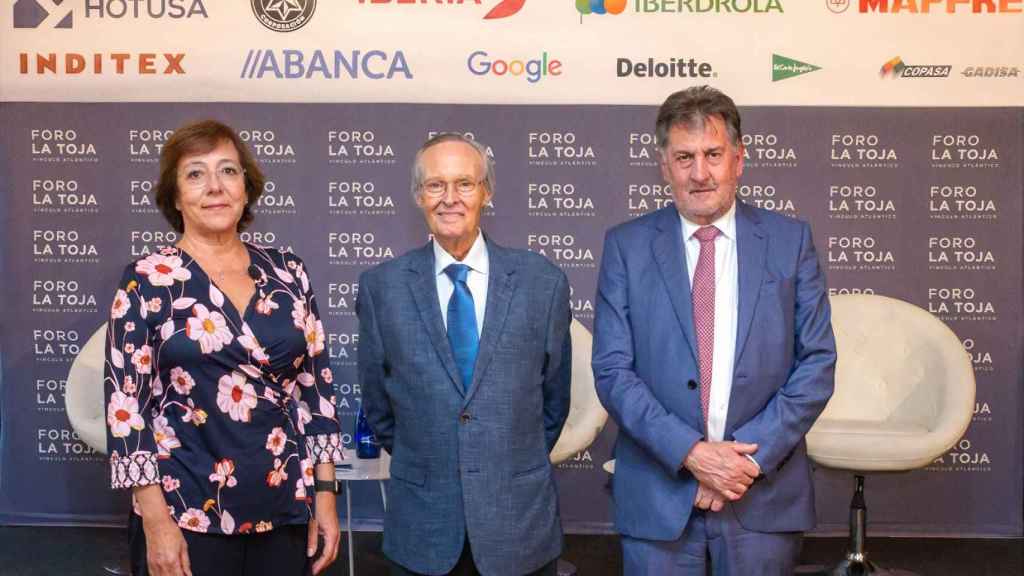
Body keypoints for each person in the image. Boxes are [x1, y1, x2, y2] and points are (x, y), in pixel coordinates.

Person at [592, 86, 836, 575]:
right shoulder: (626, 247)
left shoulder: (790, 242)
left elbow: (816, 363)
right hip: (658, 495)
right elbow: (613, 371)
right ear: (664, 165)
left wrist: (740, 463)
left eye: (712, 155)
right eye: (684, 157)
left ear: (739, 159)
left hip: (760, 494)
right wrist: (692, 454)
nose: (699, 173)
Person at [104, 119, 344, 576]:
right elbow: (125, 409)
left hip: (286, 504)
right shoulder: (146, 279)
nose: (214, 187)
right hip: (186, 511)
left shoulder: (289, 272)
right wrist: (155, 521)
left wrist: (326, 494)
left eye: (228, 171)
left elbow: (316, 389)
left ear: (247, 187)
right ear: (175, 197)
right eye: (195, 174)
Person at [357, 133, 572, 576]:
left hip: (520, 526)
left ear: (486, 192)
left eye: (465, 184)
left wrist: (504, 459)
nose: (449, 198)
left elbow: (554, 400)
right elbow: (379, 407)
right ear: (419, 195)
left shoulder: (542, 282)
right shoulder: (382, 288)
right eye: (436, 185)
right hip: (423, 529)